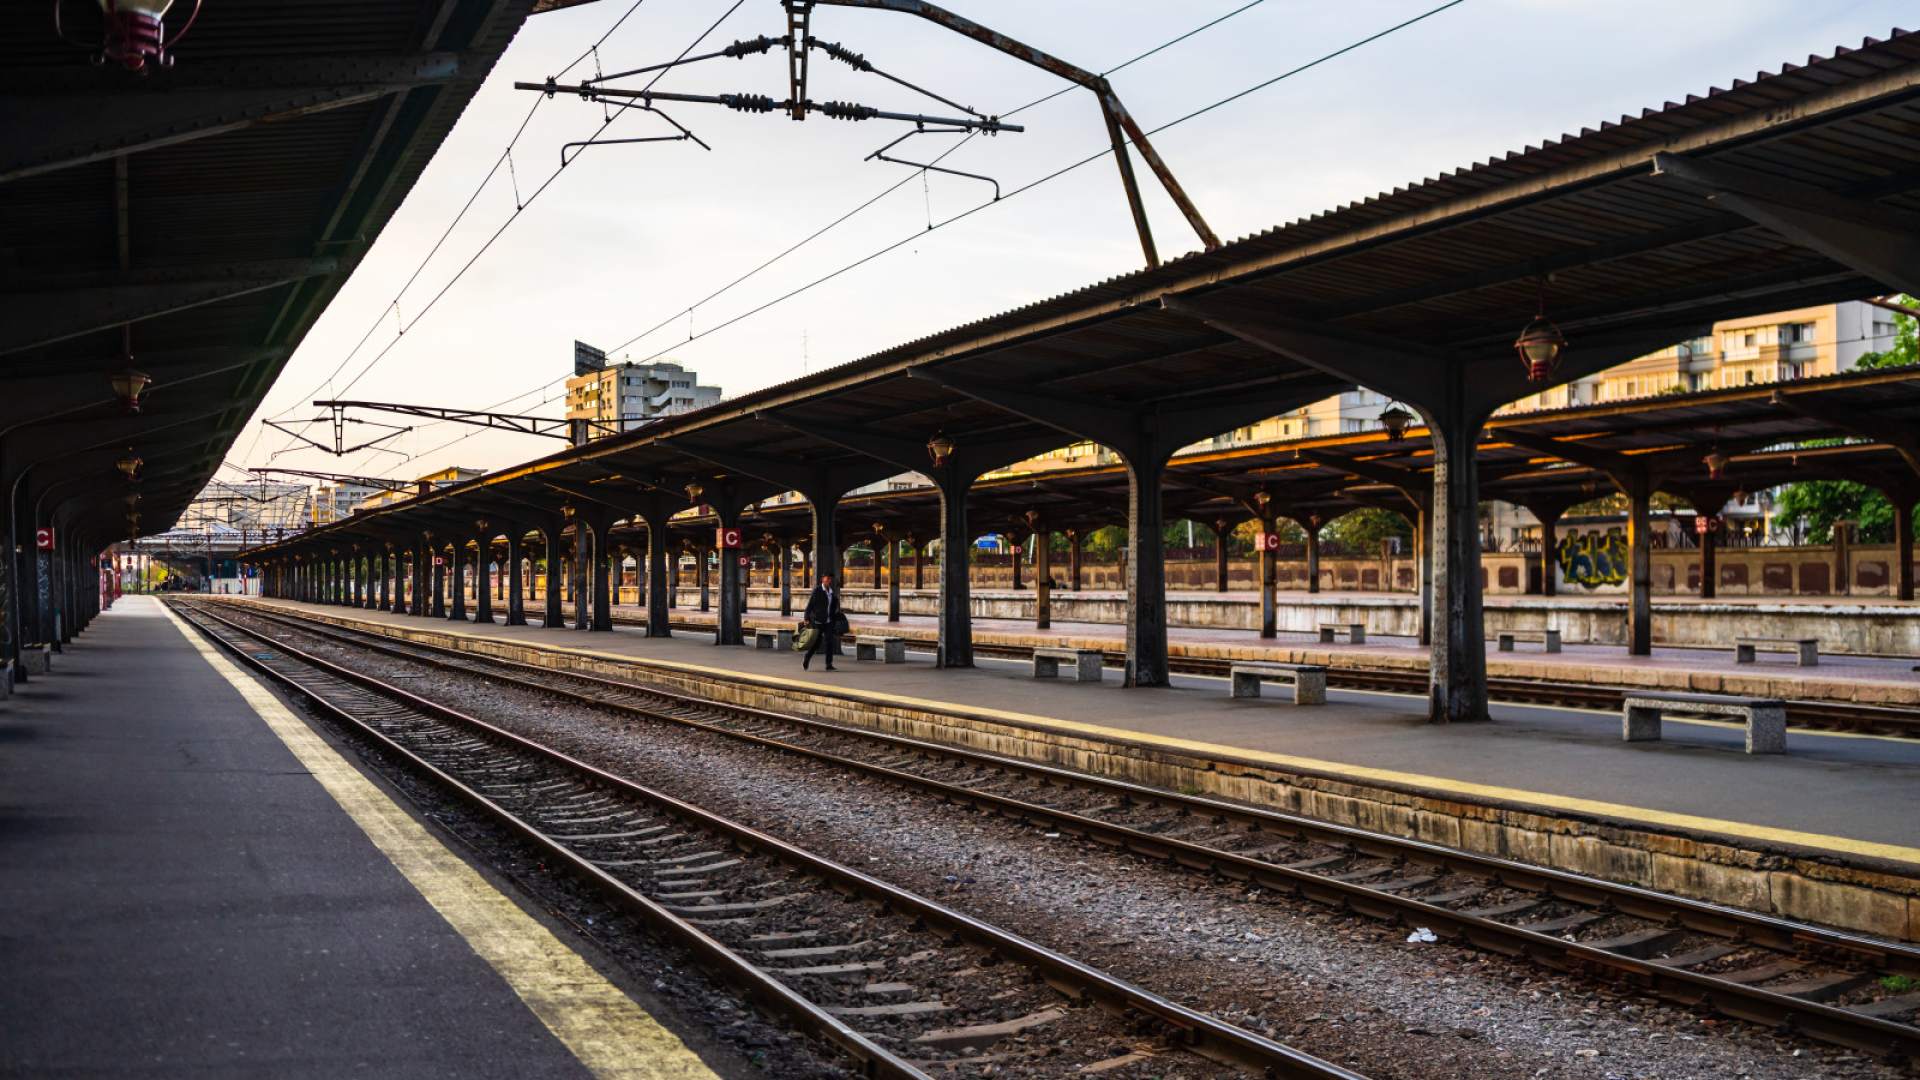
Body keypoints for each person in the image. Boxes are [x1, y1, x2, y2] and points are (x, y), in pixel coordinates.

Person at [801, 571, 846, 671]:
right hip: (818, 621)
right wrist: (806, 618)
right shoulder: (817, 590)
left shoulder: (831, 592)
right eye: (826, 578)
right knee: (816, 643)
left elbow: (833, 607)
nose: (828, 580)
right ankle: (807, 657)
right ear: (822, 580)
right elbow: (810, 605)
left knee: (829, 642)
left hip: (828, 622)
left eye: (829, 579)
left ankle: (828, 664)